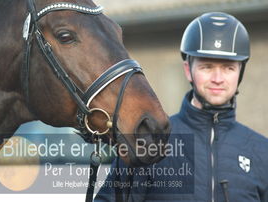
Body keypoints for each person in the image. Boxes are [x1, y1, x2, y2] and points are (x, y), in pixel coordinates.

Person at [95, 12, 268, 201]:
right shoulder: (149, 142)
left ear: (240, 72)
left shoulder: (262, 151)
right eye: (207, 67)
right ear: (188, 70)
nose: (218, 79)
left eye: (228, 68)